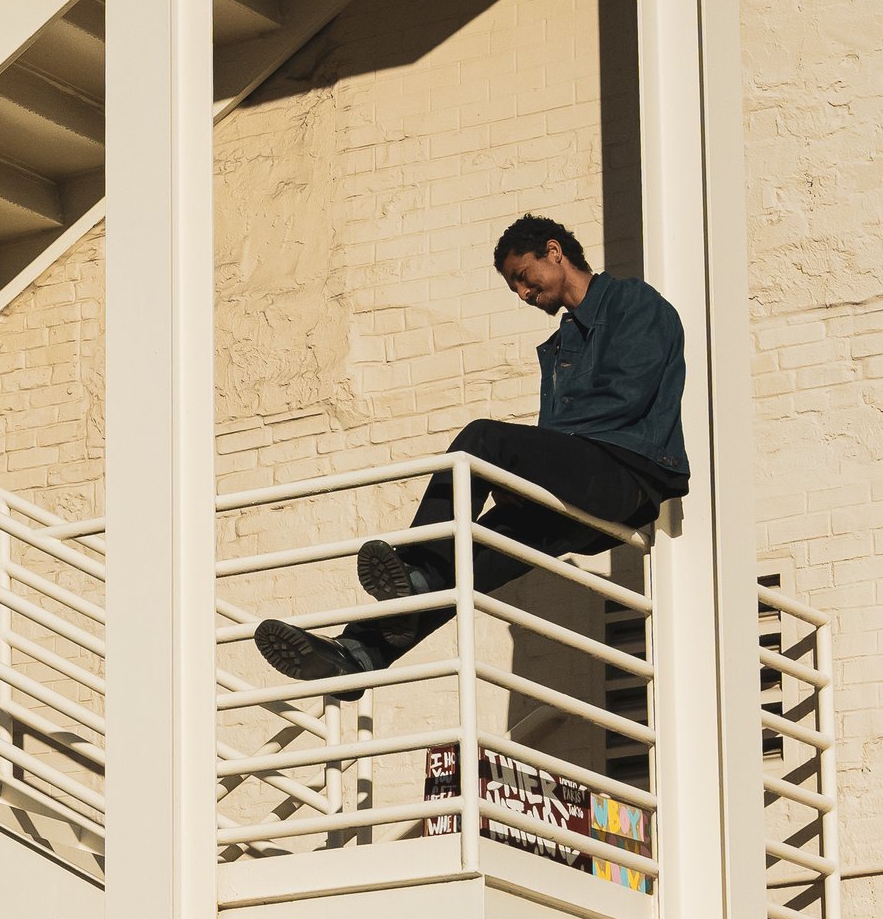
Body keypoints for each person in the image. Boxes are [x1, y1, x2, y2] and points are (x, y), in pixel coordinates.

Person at [253, 216, 686, 691]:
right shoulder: (562, 342)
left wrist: (525, 469)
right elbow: (558, 438)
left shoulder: (633, 302)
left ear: (555, 252)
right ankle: (356, 654)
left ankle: (415, 569)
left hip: (626, 475)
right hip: (579, 485)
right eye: (514, 287)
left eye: (524, 277)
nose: (523, 293)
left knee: (481, 442)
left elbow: (625, 398)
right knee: (465, 558)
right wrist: (526, 484)